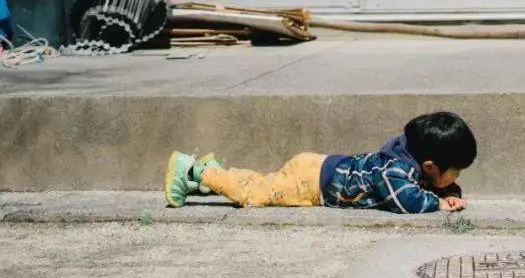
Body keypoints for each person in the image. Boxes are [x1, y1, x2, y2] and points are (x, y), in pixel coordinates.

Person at [164, 111, 476, 213]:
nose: (458, 177)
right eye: (456, 171)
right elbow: (403, 199)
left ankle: (213, 175)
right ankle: (194, 170)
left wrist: (450, 193)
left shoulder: (411, 157)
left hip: (317, 169)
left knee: (263, 181)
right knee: (255, 194)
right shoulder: (395, 169)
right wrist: (438, 204)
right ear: (430, 166)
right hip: (311, 184)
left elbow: (425, 187)